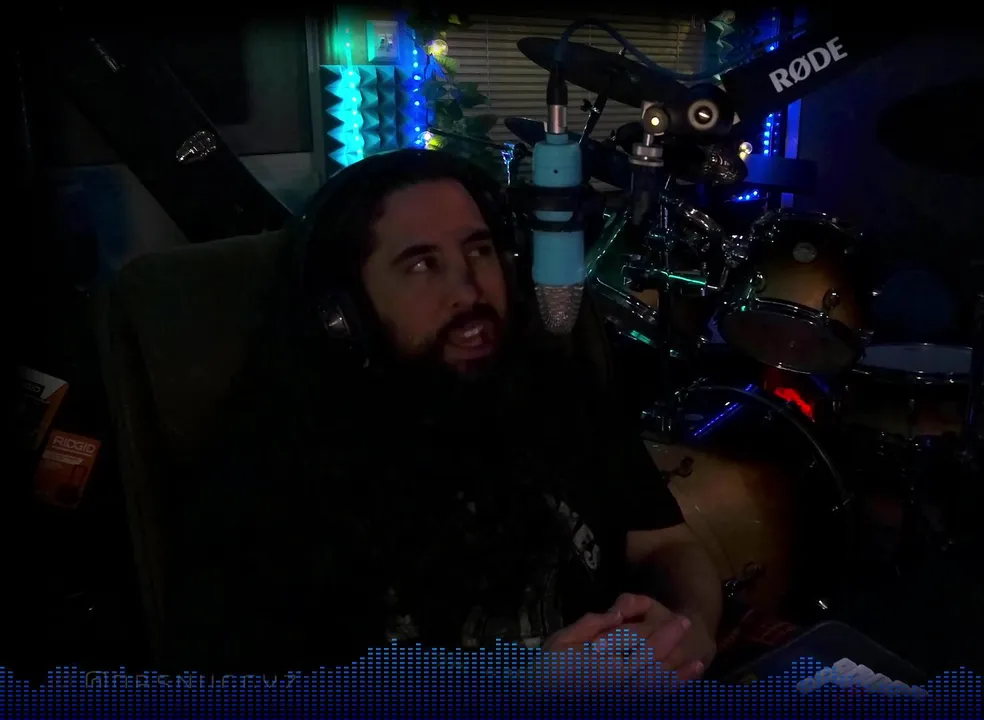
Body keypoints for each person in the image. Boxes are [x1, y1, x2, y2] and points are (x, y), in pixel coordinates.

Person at [160, 150, 721, 681]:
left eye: (478, 251)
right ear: (343, 314)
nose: (468, 290)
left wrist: (688, 625)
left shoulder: (554, 390)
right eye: (422, 264)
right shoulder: (268, 473)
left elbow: (665, 544)